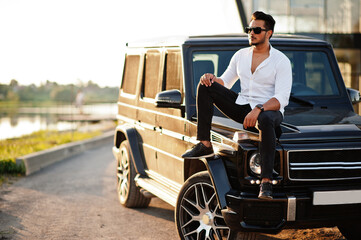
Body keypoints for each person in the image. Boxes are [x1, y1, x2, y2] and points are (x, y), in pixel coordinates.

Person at [181, 11, 292, 200]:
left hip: (269, 112)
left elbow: (281, 98)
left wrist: (259, 109)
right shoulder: (241, 55)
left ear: (269, 33)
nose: (252, 33)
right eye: (249, 29)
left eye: (257, 29)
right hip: (243, 106)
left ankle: (265, 182)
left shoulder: (280, 60)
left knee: (265, 119)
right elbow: (226, 80)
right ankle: (204, 143)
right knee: (205, 86)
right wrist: (212, 79)